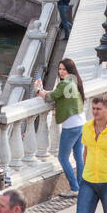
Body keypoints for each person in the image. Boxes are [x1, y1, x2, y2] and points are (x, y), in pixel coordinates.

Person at [34, 59, 85, 197]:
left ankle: (75, 188)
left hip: (71, 126)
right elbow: (58, 93)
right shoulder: (74, 81)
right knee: (78, 156)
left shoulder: (64, 83)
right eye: (60, 69)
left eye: (64, 69)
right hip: (81, 123)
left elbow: (49, 98)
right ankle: (82, 187)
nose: (61, 72)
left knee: (63, 158)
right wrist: (46, 91)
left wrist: (38, 90)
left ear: (70, 70)